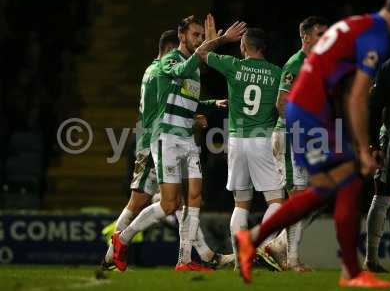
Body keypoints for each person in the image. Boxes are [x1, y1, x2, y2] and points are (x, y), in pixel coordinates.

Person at [236, 0, 390, 287]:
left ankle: (254, 239)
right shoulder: (374, 36)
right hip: (310, 113)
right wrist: (364, 147)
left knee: (327, 187)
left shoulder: (353, 25)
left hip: (308, 110)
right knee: (347, 179)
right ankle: (351, 273)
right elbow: (360, 95)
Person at [100, 29, 232, 271]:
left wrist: (209, 104)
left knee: (177, 202)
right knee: (142, 202)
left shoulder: (152, 71)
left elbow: (181, 102)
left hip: (153, 139)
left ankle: (200, 254)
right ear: (171, 49)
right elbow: (166, 109)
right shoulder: (161, 70)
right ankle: (112, 253)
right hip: (156, 140)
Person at [197, 19, 285, 270]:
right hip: (262, 139)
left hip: (236, 140)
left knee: (240, 204)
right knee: (276, 202)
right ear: (263, 48)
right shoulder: (277, 73)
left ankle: (240, 263)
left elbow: (201, 53)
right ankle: (263, 248)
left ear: (244, 46)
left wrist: (222, 40)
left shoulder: (233, 65)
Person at [270, 16, 328, 272]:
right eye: (319, 33)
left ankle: (278, 244)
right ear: (305, 37)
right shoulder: (296, 64)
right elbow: (282, 104)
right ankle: (292, 260)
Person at [366, 52, 390, 273]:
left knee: (389, 196)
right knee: (386, 195)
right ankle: (371, 258)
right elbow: (374, 106)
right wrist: (375, 146)